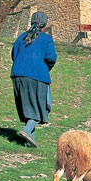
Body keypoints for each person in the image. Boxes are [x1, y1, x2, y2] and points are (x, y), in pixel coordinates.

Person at [11, 11, 57, 147]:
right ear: (45, 24)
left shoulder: (20, 38)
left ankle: (31, 142)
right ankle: (26, 130)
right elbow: (51, 57)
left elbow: (14, 55)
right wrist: (44, 68)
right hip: (37, 76)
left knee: (28, 107)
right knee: (41, 106)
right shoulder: (46, 39)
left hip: (17, 76)